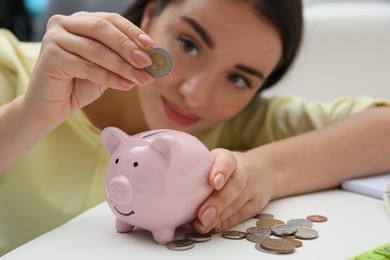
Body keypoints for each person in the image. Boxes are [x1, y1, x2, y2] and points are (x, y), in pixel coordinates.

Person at [1, 0, 389, 255]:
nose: (195, 96)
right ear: (150, 16)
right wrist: (32, 113)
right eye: (189, 44)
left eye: (239, 79)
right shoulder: (10, 66)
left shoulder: (249, 119)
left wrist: (267, 171)